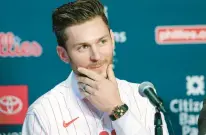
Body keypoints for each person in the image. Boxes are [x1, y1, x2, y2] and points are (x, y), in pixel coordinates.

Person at [22, 0, 169, 134]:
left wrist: (117, 108)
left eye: (102, 42)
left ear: (112, 39)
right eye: (83, 47)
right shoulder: (42, 113)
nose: (96, 56)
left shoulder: (144, 98)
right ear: (63, 54)